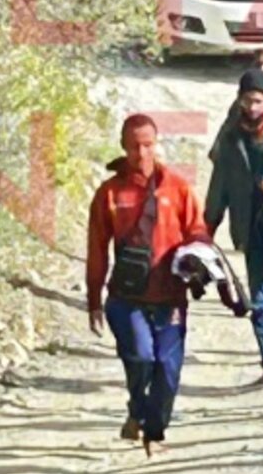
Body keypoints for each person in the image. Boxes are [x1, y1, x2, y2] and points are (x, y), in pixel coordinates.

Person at [87, 114, 209, 456]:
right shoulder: (110, 193)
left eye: (147, 145)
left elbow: (198, 231)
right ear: (122, 147)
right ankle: (137, 411)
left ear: (157, 145)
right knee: (141, 357)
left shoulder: (178, 188)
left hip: (170, 296)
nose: (141, 153)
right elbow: (96, 248)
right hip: (127, 297)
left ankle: (153, 431)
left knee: (168, 369)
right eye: (133, 146)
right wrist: (94, 299)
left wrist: (198, 258)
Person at [205, 70, 263, 384]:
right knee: (259, 298)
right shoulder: (231, 136)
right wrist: (207, 226)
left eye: (258, 101)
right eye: (247, 101)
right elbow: (220, 184)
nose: (252, 108)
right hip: (250, 225)